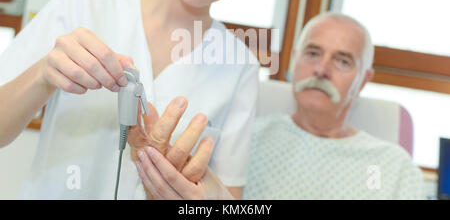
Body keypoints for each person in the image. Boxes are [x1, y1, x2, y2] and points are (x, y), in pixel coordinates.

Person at [0, 0, 282, 199]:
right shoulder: (83, 2)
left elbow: (227, 197)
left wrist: (196, 198)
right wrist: (44, 74)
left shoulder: (239, 67)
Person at [134, 12, 426, 199]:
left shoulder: (394, 167)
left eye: (342, 60)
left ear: (363, 80)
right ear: (295, 60)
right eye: (313, 53)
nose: (321, 70)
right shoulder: (241, 143)